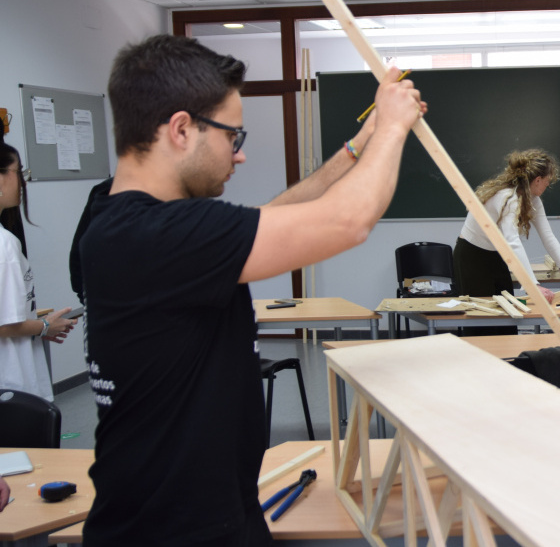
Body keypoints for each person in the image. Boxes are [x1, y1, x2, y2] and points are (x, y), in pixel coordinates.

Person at [78, 34, 425, 546]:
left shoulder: (124, 222)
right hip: (175, 531)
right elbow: (348, 221)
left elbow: (277, 217)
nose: (238, 156)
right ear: (180, 129)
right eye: (231, 137)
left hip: (207, 512)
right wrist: (395, 126)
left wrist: (364, 141)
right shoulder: (153, 236)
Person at [453, 148, 560, 335]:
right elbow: (512, 242)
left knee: (508, 313)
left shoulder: (533, 200)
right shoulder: (508, 197)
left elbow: (548, 237)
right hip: (471, 256)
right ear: (537, 180)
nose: (547, 187)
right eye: (547, 182)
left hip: (494, 255)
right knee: (481, 318)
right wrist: (533, 286)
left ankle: (508, 360)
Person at [0, 137, 76, 402]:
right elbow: (5, 324)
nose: (22, 182)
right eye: (18, 172)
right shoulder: (4, 245)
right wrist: (44, 326)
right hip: (11, 379)